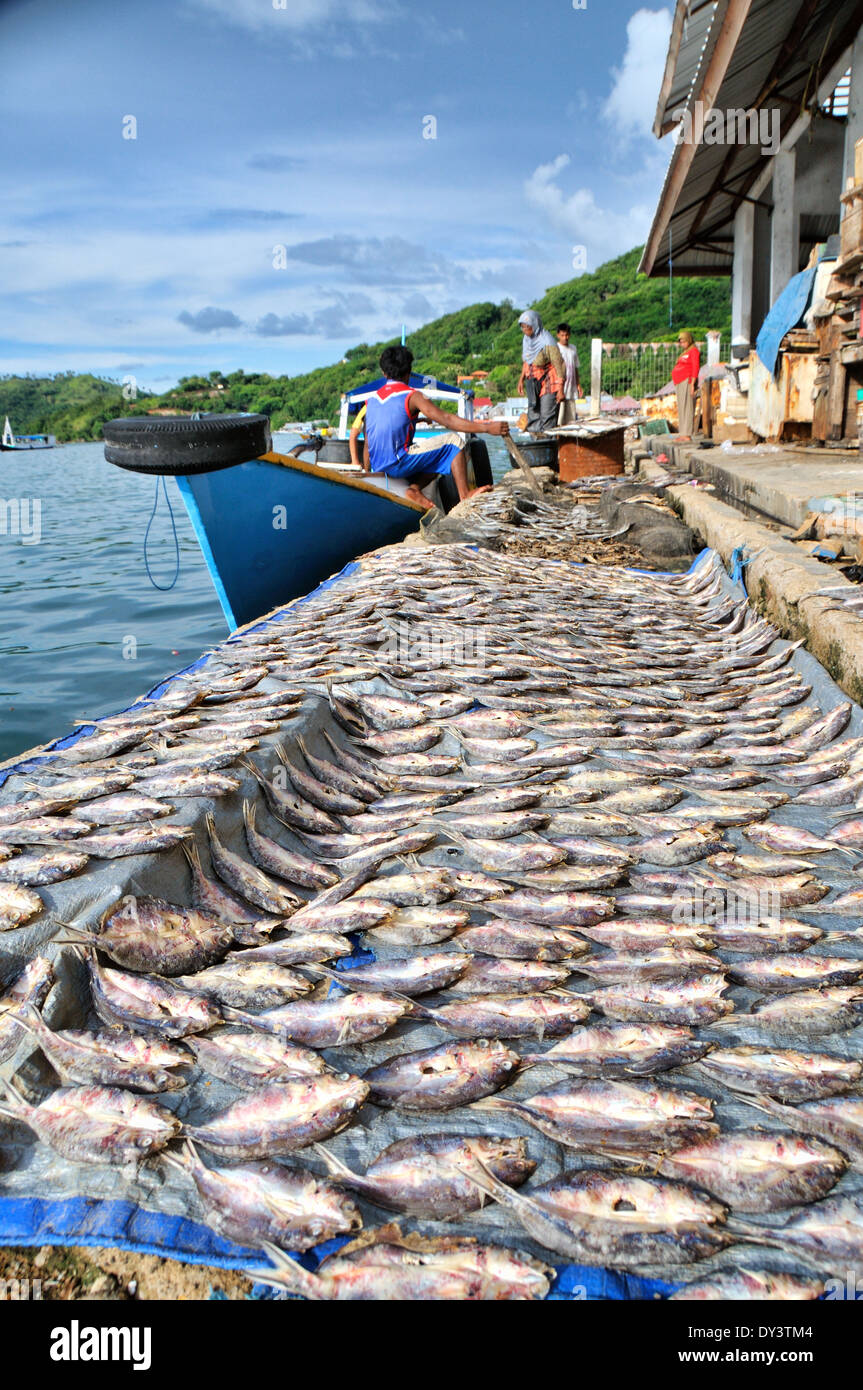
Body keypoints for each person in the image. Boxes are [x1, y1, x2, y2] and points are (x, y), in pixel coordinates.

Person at [364, 346, 509, 511]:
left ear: (384, 373)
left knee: (438, 454)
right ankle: (464, 495)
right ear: (408, 373)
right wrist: (487, 428)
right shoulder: (412, 395)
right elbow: (447, 419)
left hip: (380, 467)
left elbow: (368, 440)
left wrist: (367, 471)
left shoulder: (371, 400)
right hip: (398, 463)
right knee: (454, 443)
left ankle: (414, 489)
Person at [517, 310, 566, 433]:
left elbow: (559, 365)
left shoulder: (547, 341)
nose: (525, 330)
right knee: (533, 415)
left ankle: (548, 447)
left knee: (546, 416)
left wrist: (560, 390)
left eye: (527, 327)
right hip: (533, 381)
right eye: (522, 327)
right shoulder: (526, 340)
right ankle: (535, 445)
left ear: (535, 325)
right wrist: (521, 379)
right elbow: (527, 361)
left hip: (549, 381)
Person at [672, 331, 701, 441]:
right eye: (680, 342)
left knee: (687, 406)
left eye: (684, 341)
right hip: (680, 381)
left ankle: (687, 434)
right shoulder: (686, 352)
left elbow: (695, 367)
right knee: (681, 407)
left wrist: (692, 384)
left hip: (687, 381)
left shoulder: (694, 351)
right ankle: (683, 433)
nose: (682, 344)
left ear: (688, 340)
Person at [556, 322, 582, 425]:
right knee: (560, 418)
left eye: (567, 335)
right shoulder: (556, 348)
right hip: (560, 388)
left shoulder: (573, 348)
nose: (565, 337)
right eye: (562, 335)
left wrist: (578, 385)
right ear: (558, 335)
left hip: (571, 388)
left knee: (571, 419)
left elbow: (575, 367)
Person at [348, 402, 368, 471]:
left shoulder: (367, 407)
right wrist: (355, 461)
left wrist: (354, 461)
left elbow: (352, 435)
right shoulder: (367, 408)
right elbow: (353, 435)